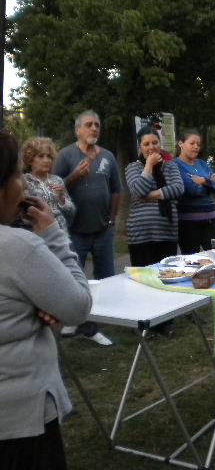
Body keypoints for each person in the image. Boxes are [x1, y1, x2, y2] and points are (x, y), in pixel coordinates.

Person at [0, 130, 92, 469]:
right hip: (20, 419)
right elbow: (77, 305)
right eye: (16, 176)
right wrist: (53, 234)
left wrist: (31, 304)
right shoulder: (17, 247)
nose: (21, 187)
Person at [54, 110, 121, 346]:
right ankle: (76, 319)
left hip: (103, 229)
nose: (94, 128)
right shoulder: (66, 155)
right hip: (74, 229)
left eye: (97, 125)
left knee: (104, 279)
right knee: (74, 279)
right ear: (78, 130)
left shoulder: (108, 156)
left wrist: (112, 219)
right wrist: (74, 177)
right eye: (89, 124)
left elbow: (116, 189)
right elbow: (52, 187)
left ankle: (92, 325)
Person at [125, 127, 184, 337]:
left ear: (160, 143)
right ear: (139, 147)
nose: (151, 147)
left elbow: (178, 188)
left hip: (166, 231)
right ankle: (145, 324)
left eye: (154, 142)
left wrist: (151, 196)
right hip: (140, 233)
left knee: (164, 277)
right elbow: (137, 190)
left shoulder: (170, 166)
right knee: (144, 280)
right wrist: (149, 166)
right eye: (146, 144)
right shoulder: (133, 167)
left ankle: (165, 322)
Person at [174, 129, 215, 254]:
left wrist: (203, 181)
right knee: (192, 260)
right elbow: (190, 189)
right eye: (192, 143)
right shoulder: (175, 165)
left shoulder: (202, 164)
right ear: (181, 144)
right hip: (188, 223)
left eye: (198, 144)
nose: (196, 147)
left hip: (211, 220)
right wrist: (210, 183)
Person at [21, 137, 75, 232]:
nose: (46, 160)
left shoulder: (57, 180)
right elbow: (21, 215)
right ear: (30, 160)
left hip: (61, 233)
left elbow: (71, 212)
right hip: (37, 234)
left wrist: (61, 199)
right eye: (41, 156)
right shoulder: (24, 181)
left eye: (49, 156)